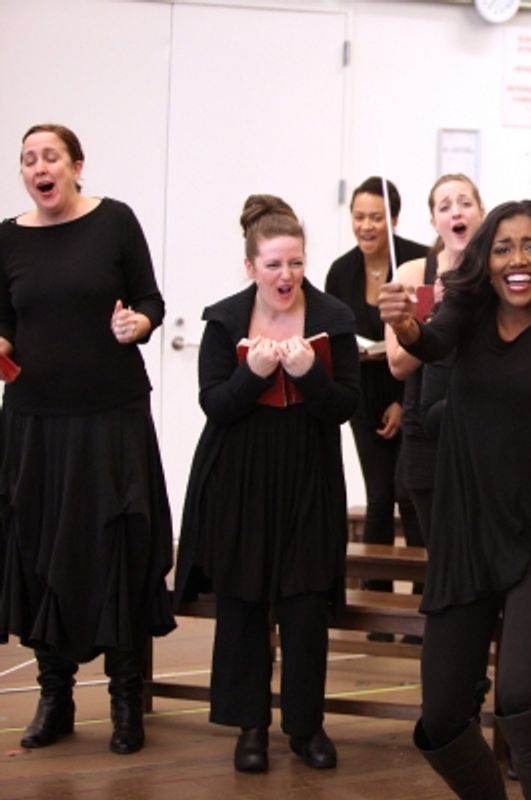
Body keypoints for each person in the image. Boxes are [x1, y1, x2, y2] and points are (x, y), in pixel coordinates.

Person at [378, 199, 531, 799]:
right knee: (441, 716)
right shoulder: (469, 311)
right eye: (503, 248)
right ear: (486, 260)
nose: (517, 260)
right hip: (470, 533)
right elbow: (431, 343)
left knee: (517, 694)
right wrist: (405, 325)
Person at [0, 123, 175, 755]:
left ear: (76, 165)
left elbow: (151, 300)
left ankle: (126, 700)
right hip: (35, 424)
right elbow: (4, 321)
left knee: (117, 549)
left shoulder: (115, 220)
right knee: (39, 551)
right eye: (28, 159)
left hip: (111, 418)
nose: (39, 168)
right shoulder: (7, 237)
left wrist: (140, 323)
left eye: (50, 156)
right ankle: (56, 698)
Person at [174, 195, 360, 774]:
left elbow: (345, 406)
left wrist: (311, 375)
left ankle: (306, 727)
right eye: (274, 264)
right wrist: (253, 375)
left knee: (305, 606)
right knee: (244, 602)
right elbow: (215, 406)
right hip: (241, 478)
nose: (286, 275)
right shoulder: (224, 320)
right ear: (250, 265)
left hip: (309, 475)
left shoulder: (333, 317)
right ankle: (249, 726)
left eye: (296, 263)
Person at [325, 177, 425, 612]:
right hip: (363, 394)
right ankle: (377, 603)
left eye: (376, 217)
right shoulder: (340, 271)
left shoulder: (417, 262)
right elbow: (333, 336)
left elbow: (426, 339)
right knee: (380, 497)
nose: (366, 226)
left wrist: (403, 401)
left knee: (411, 495)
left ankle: (423, 599)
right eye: (359, 216)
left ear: (394, 220)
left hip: (412, 391)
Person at [385, 174, 484, 542]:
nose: (456, 212)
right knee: (437, 549)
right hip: (426, 430)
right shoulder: (413, 274)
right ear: (434, 221)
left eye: (465, 203)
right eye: (445, 207)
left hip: (481, 429)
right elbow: (397, 364)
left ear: (481, 213)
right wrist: (434, 317)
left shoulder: (497, 275)